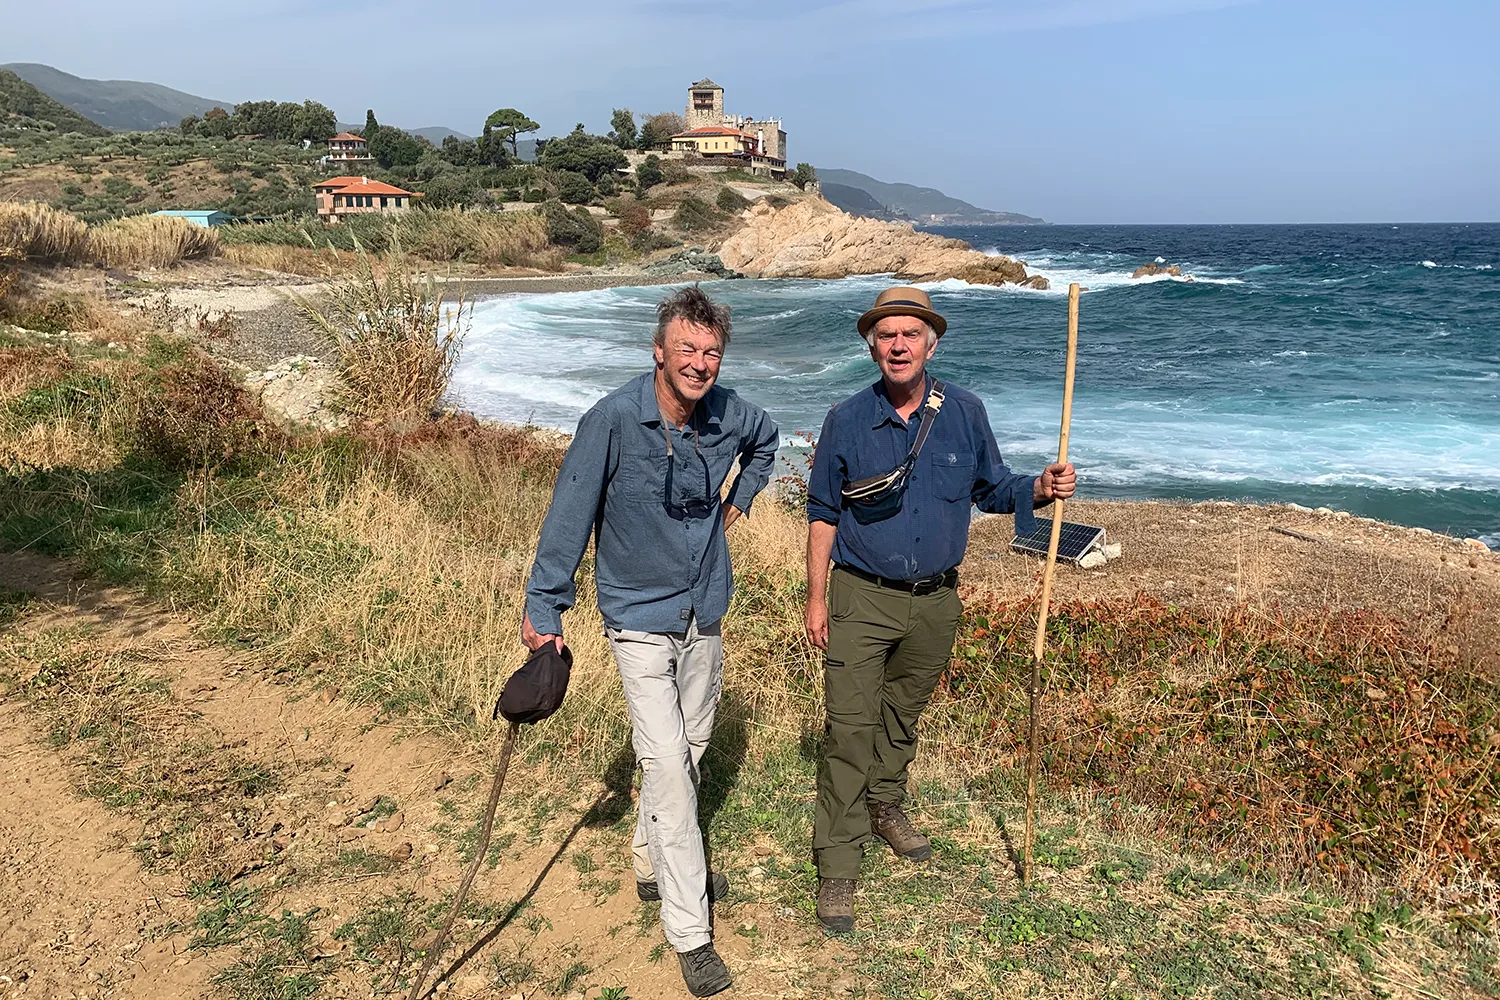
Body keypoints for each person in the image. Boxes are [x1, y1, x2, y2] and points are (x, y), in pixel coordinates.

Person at [523, 285, 779, 997]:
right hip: (637, 616)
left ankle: (650, 858)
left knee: (689, 750)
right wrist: (546, 606)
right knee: (666, 765)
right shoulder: (611, 420)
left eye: (711, 353)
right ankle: (691, 932)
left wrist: (739, 501)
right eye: (687, 349)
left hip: (705, 610)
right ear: (659, 352)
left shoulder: (729, 413)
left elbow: (767, 441)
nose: (699, 363)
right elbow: (569, 515)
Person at [803, 285, 1077, 933]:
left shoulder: (965, 411)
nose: (898, 345)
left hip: (936, 602)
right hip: (860, 596)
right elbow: (822, 512)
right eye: (887, 335)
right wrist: (815, 598)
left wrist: (1039, 488)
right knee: (849, 730)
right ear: (872, 346)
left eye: (910, 334)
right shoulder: (846, 418)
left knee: (901, 717)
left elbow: (992, 489)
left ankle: (884, 804)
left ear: (931, 344)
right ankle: (838, 862)